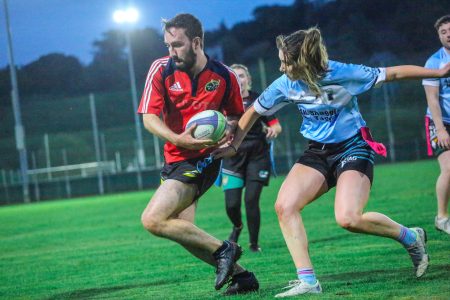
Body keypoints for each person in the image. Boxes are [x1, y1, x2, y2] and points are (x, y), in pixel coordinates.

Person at [214, 27, 450, 297]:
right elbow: (253, 112)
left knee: (348, 218)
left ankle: (411, 237)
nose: (281, 67)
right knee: (285, 206)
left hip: (353, 147)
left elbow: (393, 73)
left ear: (303, 61)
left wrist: (439, 73)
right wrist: (233, 145)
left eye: (285, 61)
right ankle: (309, 281)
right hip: (317, 153)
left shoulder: (342, 73)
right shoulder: (285, 84)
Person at [137, 14, 259, 295]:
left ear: (196, 42)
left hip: (204, 159)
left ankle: (226, 248)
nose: (171, 52)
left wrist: (228, 131)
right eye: (167, 45)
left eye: (177, 45)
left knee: (152, 219)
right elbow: (149, 118)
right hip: (174, 159)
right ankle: (243, 278)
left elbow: (236, 115)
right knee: (185, 232)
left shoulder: (224, 76)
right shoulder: (161, 69)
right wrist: (178, 138)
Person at [222, 64, 282, 252]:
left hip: (257, 155)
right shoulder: (223, 102)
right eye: (234, 76)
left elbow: (276, 125)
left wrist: (274, 130)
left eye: (241, 75)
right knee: (232, 204)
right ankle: (238, 226)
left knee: (251, 200)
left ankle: (254, 244)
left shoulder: (260, 100)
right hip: (232, 156)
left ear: (248, 79)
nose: (238, 79)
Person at [423, 15, 450, 235]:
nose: (448, 34)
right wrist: (440, 129)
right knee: (449, 168)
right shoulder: (434, 62)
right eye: (443, 32)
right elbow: (432, 99)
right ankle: (441, 217)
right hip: (440, 121)